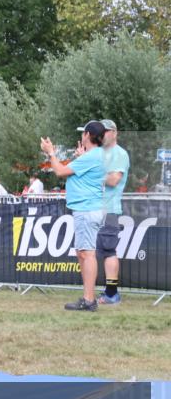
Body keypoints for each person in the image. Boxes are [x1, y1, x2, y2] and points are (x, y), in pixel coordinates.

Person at [40, 121, 107, 312]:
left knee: (87, 253)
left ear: (87, 135)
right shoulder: (95, 155)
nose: (82, 137)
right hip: (86, 209)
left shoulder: (93, 156)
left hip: (87, 209)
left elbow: (60, 171)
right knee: (83, 253)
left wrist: (51, 152)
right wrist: (81, 157)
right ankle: (88, 298)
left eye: (83, 134)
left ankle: (89, 300)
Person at [96, 119, 130, 305]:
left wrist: (93, 174)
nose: (102, 135)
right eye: (101, 132)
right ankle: (109, 291)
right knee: (98, 252)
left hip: (109, 210)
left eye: (106, 131)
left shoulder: (120, 154)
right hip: (96, 209)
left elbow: (114, 180)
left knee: (109, 251)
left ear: (115, 133)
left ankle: (111, 293)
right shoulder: (101, 153)